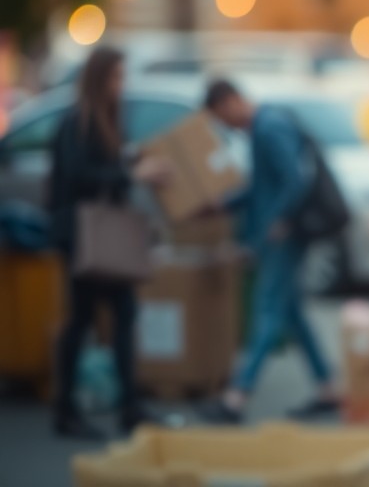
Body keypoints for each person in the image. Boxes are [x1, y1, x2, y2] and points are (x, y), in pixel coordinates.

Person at [50, 46, 171, 439]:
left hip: (104, 238)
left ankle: (129, 406)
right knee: (82, 321)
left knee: (123, 316)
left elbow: (106, 167)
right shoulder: (78, 122)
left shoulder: (107, 120)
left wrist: (134, 164)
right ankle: (66, 410)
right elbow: (80, 175)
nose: (121, 85)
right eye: (116, 77)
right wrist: (133, 176)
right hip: (83, 238)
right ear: (99, 78)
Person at [201, 79, 338, 424]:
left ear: (232, 101)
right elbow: (262, 187)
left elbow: (295, 179)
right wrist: (225, 204)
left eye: (222, 116)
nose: (226, 125)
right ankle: (328, 389)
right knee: (291, 314)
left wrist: (280, 219)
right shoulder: (263, 127)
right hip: (280, 233)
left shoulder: (268, 127)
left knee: (268, 310)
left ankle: (236, 397)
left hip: (283, 236)